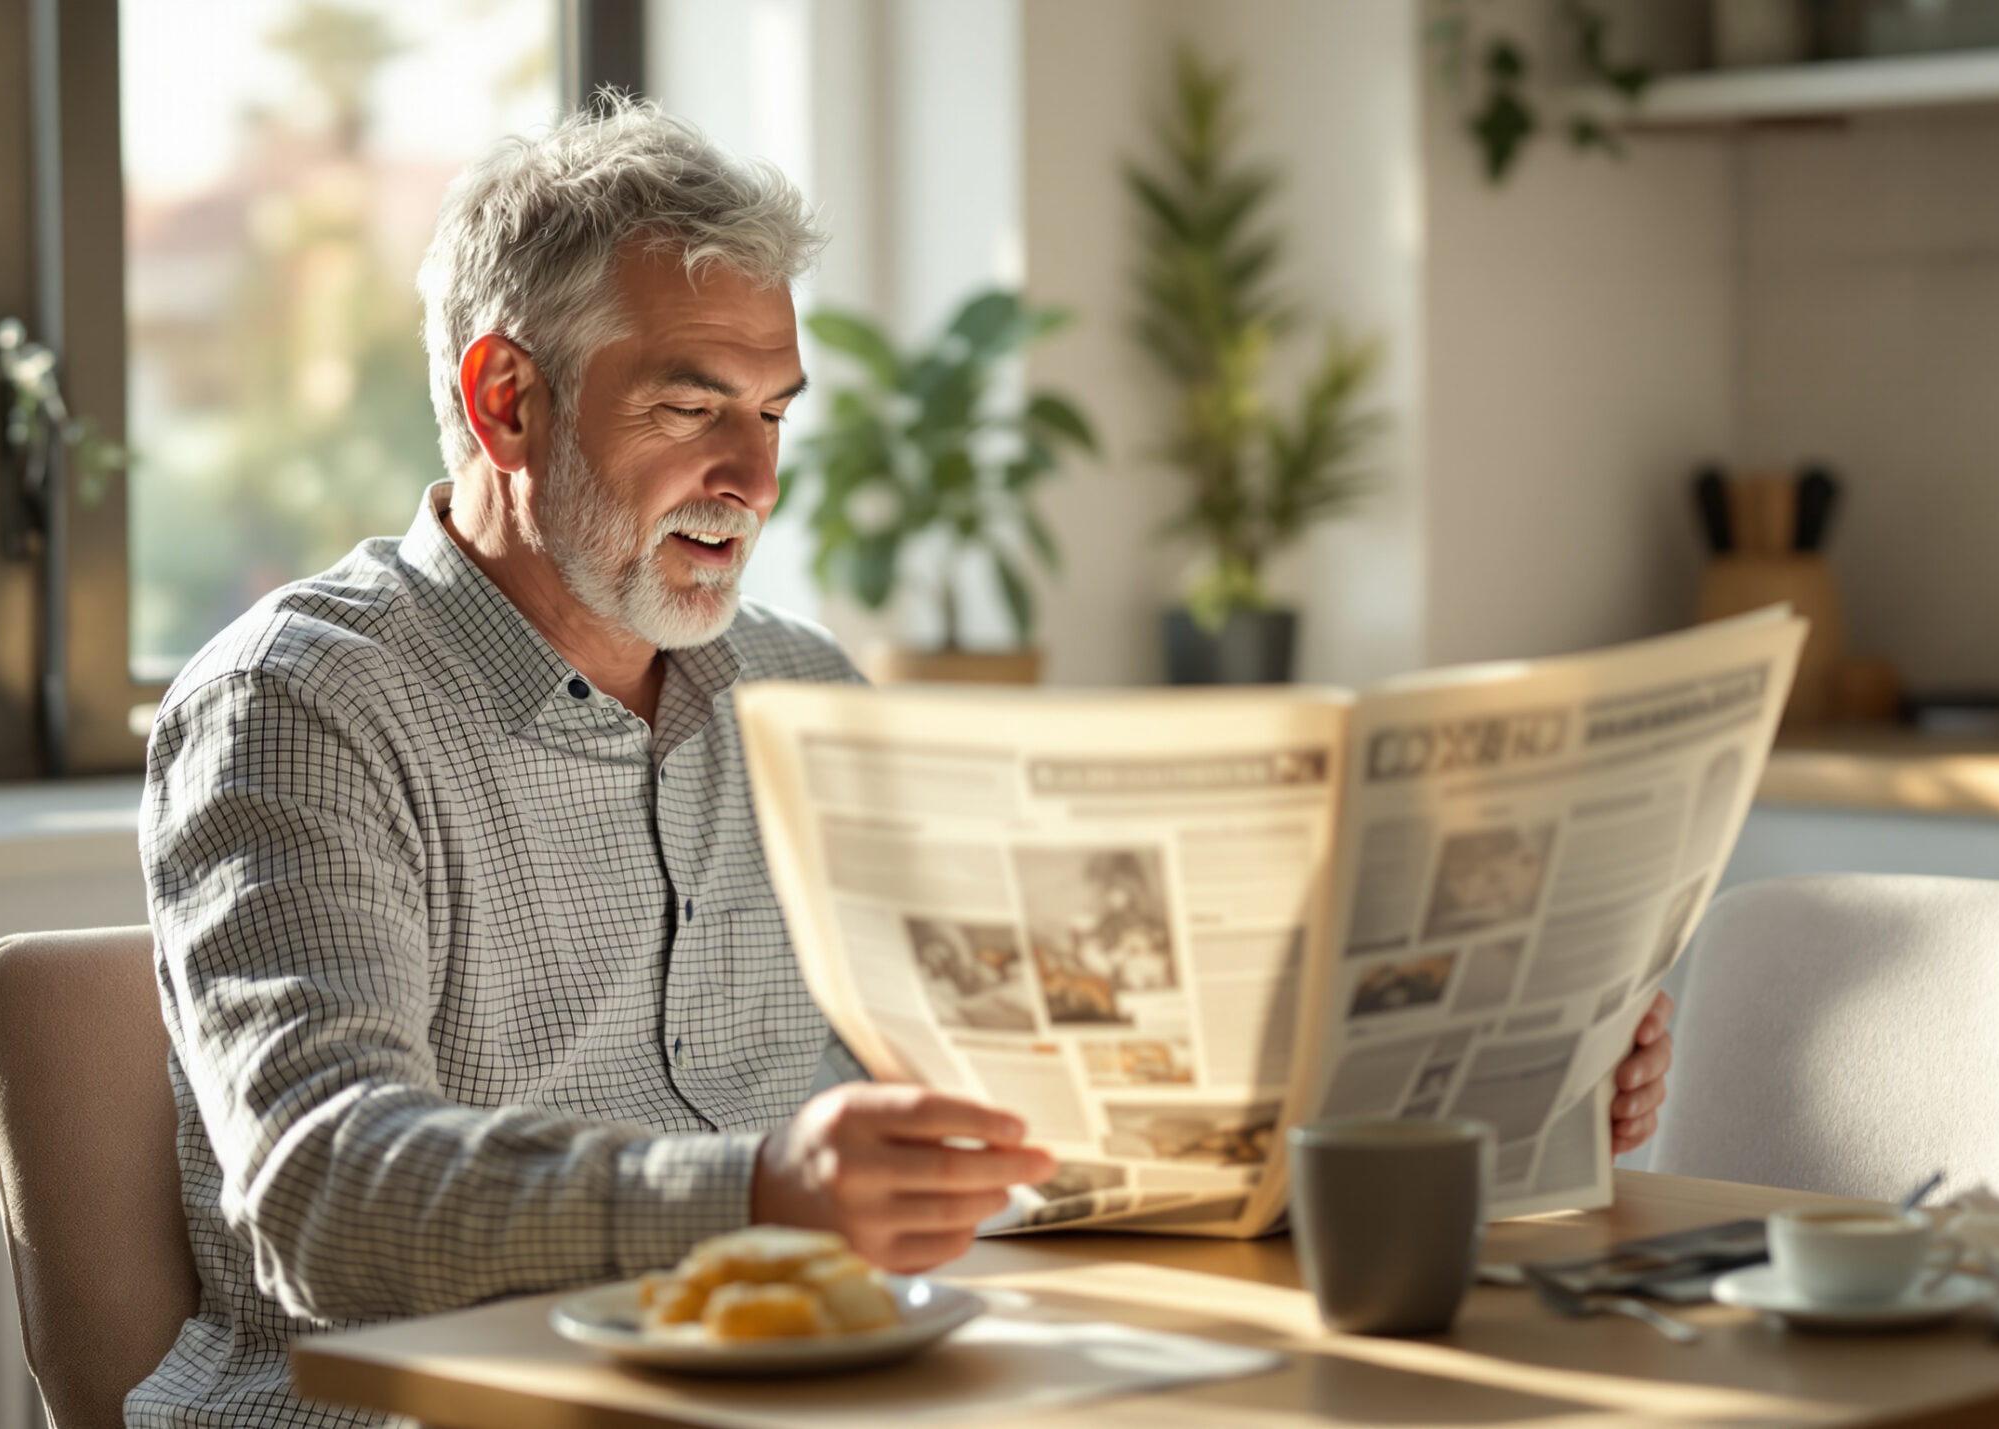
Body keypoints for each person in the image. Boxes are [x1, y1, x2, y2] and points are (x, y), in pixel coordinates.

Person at [134, 97, 1675, 1427]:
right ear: (506, 399)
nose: (754, 479)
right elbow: (327, 1194)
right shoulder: (298, 708)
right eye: (691, 407)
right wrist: (757, 1194)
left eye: (775, 412)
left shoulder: (804, 692)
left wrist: (1493, 1082)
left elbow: (1034, 1100)